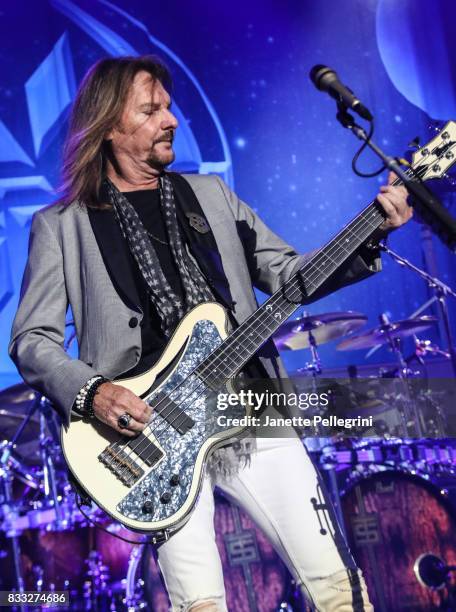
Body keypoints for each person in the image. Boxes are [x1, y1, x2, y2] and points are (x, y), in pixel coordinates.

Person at [9, 56, 411, 611]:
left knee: (339, 591)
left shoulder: (212, 197)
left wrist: (371, 230)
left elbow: (290, 274)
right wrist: (95, 392)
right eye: (151, 111)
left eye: (169, 107)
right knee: (199, 604)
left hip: (251, 409)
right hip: (151, 438)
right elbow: (32, 339)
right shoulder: (62, 225)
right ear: (107, 125)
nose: (171, 119)